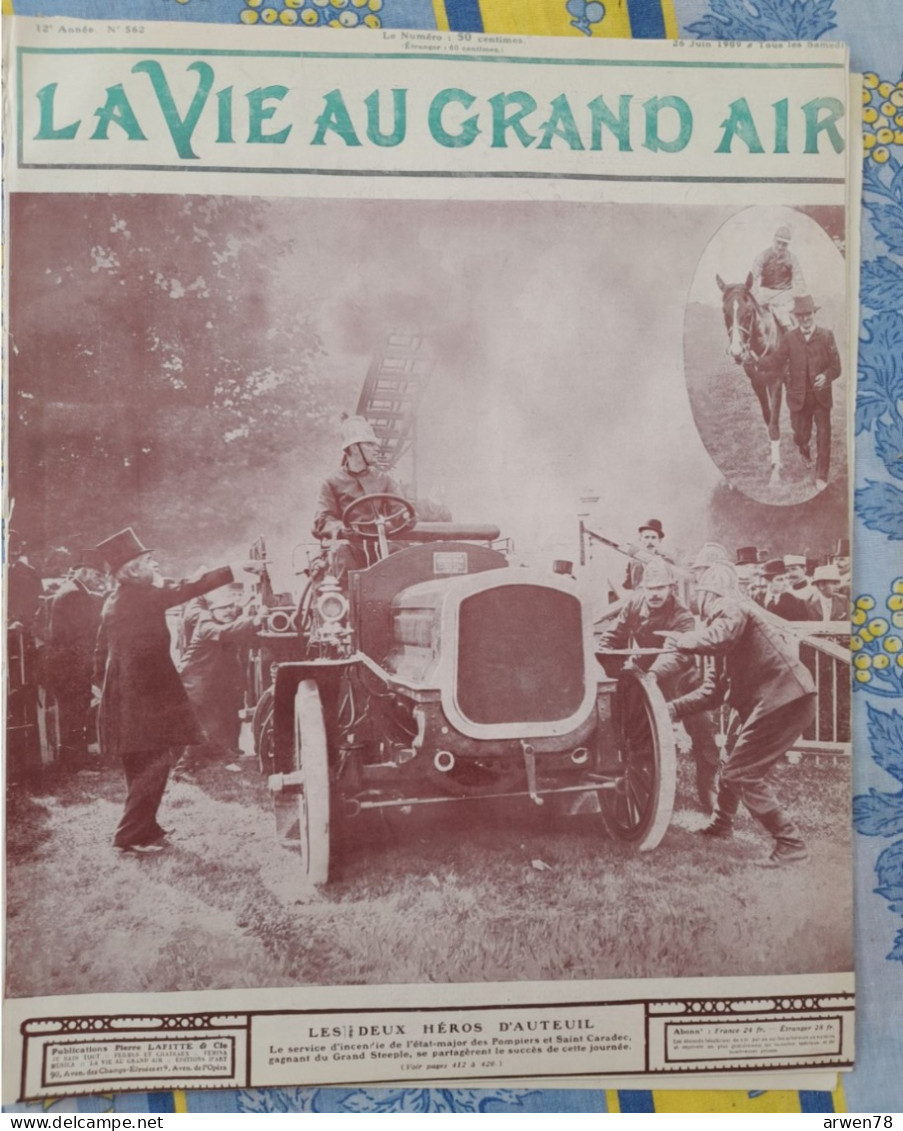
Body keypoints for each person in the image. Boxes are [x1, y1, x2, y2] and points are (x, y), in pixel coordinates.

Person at [92, 527, 238, 855]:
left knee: (140, 763)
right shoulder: (139, 596)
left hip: (125, 689)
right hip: (143, 692)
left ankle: (147, 828)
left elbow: (101, 647)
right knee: (156, 761)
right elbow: (182, 590)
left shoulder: (116, 598)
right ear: (133, 570)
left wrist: (97, 680)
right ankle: (129, 835)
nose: (152, 565)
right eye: (147, 561)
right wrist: (232, 570)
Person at [664, 563, 816, 866]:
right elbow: (712, 693)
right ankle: (721, 825)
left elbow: (718, 637)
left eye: (700, 595)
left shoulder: (730, 606)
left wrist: (681, 640)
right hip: (775, 699)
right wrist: (671, 709)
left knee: (742, 772)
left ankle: (791, 844)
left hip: (783, 699)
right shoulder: (724, 624)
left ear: (707, 593)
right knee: (731, 759)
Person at [598, 558, 720, 810]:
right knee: (640, 737)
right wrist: (608, 663)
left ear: (671, 588)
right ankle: (652, 788)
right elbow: (613, 635)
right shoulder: (633, 604)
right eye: (650, 589)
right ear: (643, 589)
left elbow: (676, 653)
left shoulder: (683, 615)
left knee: (703, 735)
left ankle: (709, 789)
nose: (654, 594)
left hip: (683, 681)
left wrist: (652, 674)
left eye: (660, 589)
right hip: (646, 680)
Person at [312, 415, 408, 581]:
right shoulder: (331, 482)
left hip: (381, 543)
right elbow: (323, 521)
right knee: (342, 553)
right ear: (354, 448)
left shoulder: (384, 479)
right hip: (350, 547)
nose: (376, 448)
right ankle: (343, 604)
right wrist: (343, 528)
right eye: (370, 444)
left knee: (404, 555)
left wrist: (405, 516)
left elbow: (401, 510)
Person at [179, 583, 266, 763]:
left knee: (221, 719)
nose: (228, 611)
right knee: (201, 727)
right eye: (222, 608)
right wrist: (254, 620)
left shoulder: (227, 622)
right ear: (212, 610)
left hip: (212, 681)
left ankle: (223, 752)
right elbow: (225, 633)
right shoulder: (206, 624)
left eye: (230, 607)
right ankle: (183, 767)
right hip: (196, 682)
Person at [773, 294, 842, 490]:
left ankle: (821, 476)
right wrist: (755, 361)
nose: (805, 318)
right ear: (795, 317)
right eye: (800, 315)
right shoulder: (789, 338)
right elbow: (777, 360)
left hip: (821, 397)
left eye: (808, 314)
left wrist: (826, 376)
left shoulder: (827, 335)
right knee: (801, 435)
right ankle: (804, 449)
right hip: (798, 398)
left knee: (823, 435)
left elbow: (836, 367)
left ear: (814, 314)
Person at [46, 551, 105, 768]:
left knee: (75, 713)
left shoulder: (74, 591)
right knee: (73, 715)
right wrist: (92, 668)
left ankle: (77, 759)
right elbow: (82, 638)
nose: (102, 579)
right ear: (85, 571)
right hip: (70, 667)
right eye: (98, 575)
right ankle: (73, 764)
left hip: (69, 665)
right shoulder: (74, 595)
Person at [750, 225, 807, 330]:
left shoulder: (792, 259)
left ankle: (792, 340)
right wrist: (758, 296)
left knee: (790, 321)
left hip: (785, 296)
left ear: (788, 245)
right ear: (773, 240)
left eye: (784, 244)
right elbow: (752, 279)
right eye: (778, 242)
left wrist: (787, 295)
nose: (780, 247)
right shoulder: (762, 256)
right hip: (765, 294)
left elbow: (801, 284)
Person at [622, 519, 673, 591]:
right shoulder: (633, 561)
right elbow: (627, 585)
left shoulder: (667, 560)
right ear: (641, 539)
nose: (650, 541)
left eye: (653, 537)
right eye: (646, 537)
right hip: (640, 599)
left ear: (659, 540)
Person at [783, 554, 821, 621]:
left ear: (804, 569)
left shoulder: (815, 590)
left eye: (793, 569)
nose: (789, 574)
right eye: (787, 570)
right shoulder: (784, 589)